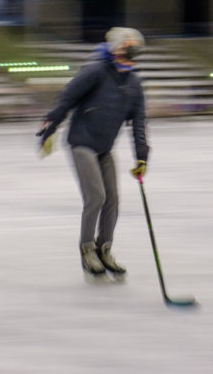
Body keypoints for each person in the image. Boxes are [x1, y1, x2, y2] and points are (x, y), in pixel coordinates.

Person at [37, 27, 149, 281]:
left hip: (104, 148)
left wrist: (141, 156)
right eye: (124, 49)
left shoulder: (133, 84)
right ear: (113, 49)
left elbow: (139, 122)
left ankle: (104, 248)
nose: (129, 55)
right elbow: (66, 99)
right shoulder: (95, 72)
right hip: (81, 142)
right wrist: (50, 128)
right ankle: (87, 249)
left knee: (113, 200)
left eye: (133, 51)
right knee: (96, 196)